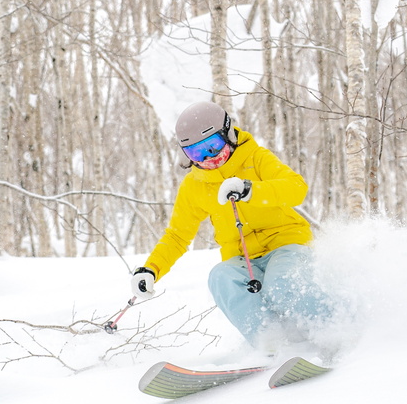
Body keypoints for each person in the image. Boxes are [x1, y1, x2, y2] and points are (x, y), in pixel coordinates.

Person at [129, 101, 331, 354]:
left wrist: (251, 190)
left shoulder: (256, 158)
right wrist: (151, 269)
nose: (208, 158)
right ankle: (270, 345)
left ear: (228, 134)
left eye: (212, 146)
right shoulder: (195, 186)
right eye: (196, 153)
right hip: (241, 259)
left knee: (281, 281)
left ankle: (331, 330)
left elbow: (296, 188)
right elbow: (178, 235)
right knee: (221, 277)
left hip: (287, 244)